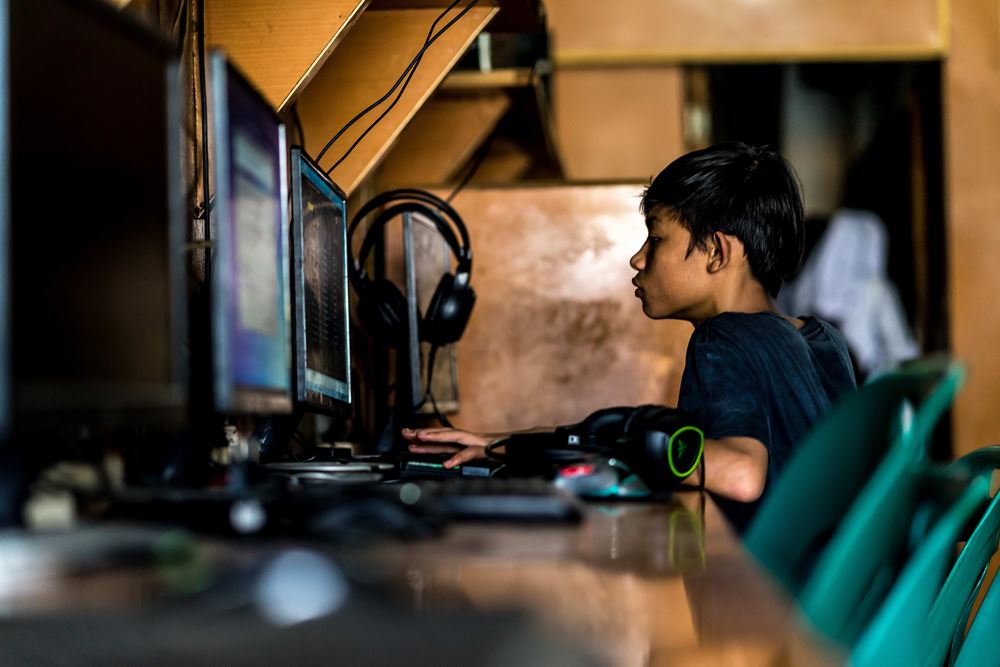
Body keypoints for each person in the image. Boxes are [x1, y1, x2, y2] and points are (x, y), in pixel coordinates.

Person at [403, 142, 857, 532]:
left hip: (753, 613)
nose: (638, 260)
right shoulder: (824, 342)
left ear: (717, 252)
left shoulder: (724, 339)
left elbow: (740, 473)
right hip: (828, 616)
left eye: (656, 239)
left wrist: (610, 442)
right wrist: (504, 443)